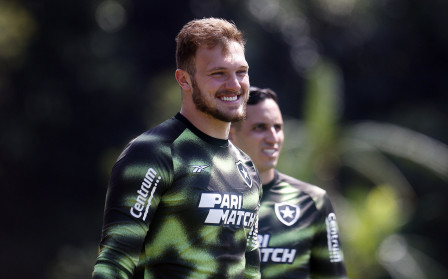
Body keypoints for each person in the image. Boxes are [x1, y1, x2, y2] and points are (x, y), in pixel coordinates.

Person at [92, 18, 263, 279]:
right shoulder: (153, 153)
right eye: (218, 74)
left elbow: (251, 270)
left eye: (241, 72)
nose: (234, 85)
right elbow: (115, 263)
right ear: (184, 80)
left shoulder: (247, 169)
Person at [229, 87, 348, 278]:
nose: (273, 138)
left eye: (277, 127)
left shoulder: (312, 202)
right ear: (231, 134)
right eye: (260, 127)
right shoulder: (203, 198)